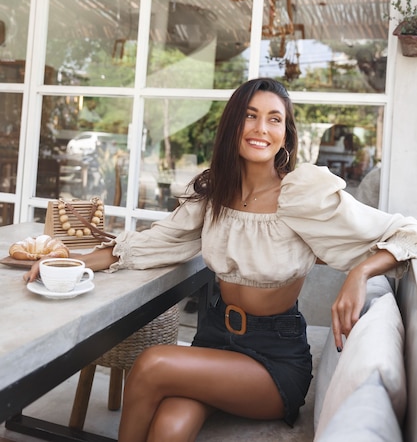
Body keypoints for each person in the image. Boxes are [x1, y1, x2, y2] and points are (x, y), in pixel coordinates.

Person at [25, 78, 417, 442]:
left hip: (274, 359)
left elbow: (406, 232)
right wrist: (69, 264)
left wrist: (360, 272)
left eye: (273, 119)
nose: (261, 128)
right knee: (169, 427)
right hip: (213, 340)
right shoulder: (214, 191)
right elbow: (159, 241)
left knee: (151, 363)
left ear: (285, 134)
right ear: (233, 125)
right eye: (250, 116)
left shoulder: (301, 195)